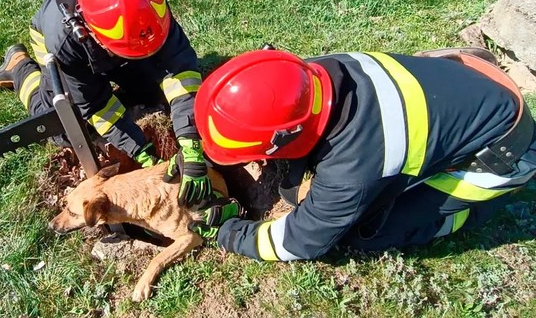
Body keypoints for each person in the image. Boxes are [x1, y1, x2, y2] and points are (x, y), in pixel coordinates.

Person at [191, 48, 536, 261]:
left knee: (366, 231)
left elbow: (299, 243)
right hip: (468, 86)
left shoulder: (352, 170)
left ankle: (473, 212)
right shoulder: (313, 74)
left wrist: (228, 232)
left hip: (504, 153)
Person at [0, 0, 211, 208]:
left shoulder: (149, 5)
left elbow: (180, 70)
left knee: (153, 93)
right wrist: (143, 152)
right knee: (64, 127)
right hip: (62, 47)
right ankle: (18, 67)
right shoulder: (65, 41)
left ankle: (123, 69)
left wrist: (191, 143)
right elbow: (96, 105)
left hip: (123, 41)